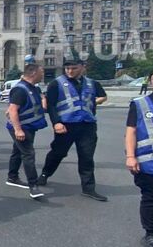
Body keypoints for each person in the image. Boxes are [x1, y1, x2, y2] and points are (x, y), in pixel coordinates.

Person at [39, 59, 108, 201]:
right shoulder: (56, 83)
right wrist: (56, 123)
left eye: (74, 68)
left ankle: (88, 188)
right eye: (67, 68)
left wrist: (95, 102)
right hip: (66, 125)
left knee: (87, 156)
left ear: (83, 67)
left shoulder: (92, 83)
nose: (70, 71)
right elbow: (50, 105)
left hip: (87, 124)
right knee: (58, 153)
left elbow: (102, 96)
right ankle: (45, 174)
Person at [126, 65, 153, 246]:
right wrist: (130, 156)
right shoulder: (140, 104)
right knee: (152, 198)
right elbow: (131, 132)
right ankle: (151, 232)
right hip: (151, 162)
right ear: (150, 82)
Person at [6, 63, 48, 199]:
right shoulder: (20, 89)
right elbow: (12, 110)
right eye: (42, 72)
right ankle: (33, 186)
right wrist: (18, 130)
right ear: (34, 73)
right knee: (28, 154)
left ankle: (12, 177)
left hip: (29, 126)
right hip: (21, 128)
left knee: (17, 151)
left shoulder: (33, 88)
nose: (43, 74)